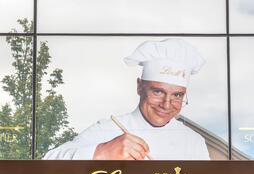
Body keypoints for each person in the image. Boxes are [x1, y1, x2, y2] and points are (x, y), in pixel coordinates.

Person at [44, 38, 210, 161]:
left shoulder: (194, 142)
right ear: (139, 87)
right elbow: (48, 163)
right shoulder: (108, 129)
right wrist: (101, 152)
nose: (166, 104)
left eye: (177, 95)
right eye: (158, 92)